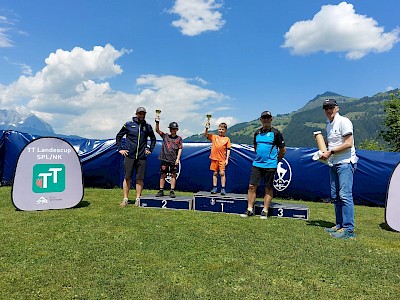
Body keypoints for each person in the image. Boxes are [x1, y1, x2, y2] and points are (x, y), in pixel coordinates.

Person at [319, 99, 358, 239]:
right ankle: (339, 225)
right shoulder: (328, 125)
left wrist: (331, 152)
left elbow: (348, 143)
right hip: (334, 163)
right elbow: (332, 144)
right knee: (335, 195)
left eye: (331, 107)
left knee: (345, 195)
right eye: (326, 108)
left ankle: (349, 230)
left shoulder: (344, 121)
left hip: (346, 163)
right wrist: (323, 150)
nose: (328, 110)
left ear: (337, 108)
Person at [241, 111, 286, 219]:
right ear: (260, 120)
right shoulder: (257, 133)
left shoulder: (276, 133)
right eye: (264, 118)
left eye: (268, 118)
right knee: (252, 186)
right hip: (257, 164)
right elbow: (256, 147)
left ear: (271, 119)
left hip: (270, 165)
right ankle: (249, 210)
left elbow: (283, 150)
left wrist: (276, 160)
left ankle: (265, 210)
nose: (266, 120)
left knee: (268, 188)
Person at [116, 107, 156, 207]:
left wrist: (150, 149)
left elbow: (153, 139)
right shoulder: (128, 125)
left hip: (142, 157)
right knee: (127, 177)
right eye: (140, 114)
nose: (142, 115)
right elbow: (118, 136)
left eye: (143, 114)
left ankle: (138, 199)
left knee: (140, 178)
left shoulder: (147, 126)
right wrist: (121, 149)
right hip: (130, 156)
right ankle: (125, 199)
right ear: (136, 114)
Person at [155, 119, 183, 198]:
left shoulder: (179, 138)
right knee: (163, 174)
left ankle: (172, 190)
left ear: (177, 129)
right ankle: (161, 190)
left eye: (174, 129)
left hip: (173, 159)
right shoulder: (165, 136)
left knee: (173, 175)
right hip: (164, 158)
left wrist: (178, 159)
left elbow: (180, 148)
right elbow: (157, 130)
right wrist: (157, 122)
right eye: (171, 128)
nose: (172, 130)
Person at [203, 122, 231, 195]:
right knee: (215, 173)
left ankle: (223, 188)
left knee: (222, 173)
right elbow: (205, 135)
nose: (221, 131)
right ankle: (214, 188)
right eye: (220, 129)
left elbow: (228, 149)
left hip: (222, 159)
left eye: (222, 129)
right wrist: (206, 128)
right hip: (214, 158)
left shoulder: (227, 139)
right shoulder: (214, 137)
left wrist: (227, 159)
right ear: (218, 129)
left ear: (225, 130)